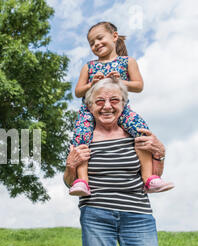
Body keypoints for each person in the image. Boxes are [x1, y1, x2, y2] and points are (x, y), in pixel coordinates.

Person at [64, 78, 166, 246]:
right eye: (99, 101)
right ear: (90, 106)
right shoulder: (83, 137)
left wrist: (160, 153)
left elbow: (154, 178)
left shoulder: (136, 134)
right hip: (96, 217)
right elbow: (69, 182)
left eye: (114, 100)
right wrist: (71, 166)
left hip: (137, 217)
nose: (107, 106)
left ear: (124, 103)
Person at [69, 21, 173, 196]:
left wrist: (119, 82)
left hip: (119, 108)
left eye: (100, 38)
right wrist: (92, 84)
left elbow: (138, 85)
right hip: (90, 110)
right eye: (92, 43)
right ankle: (82, 182)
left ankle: (149, 178)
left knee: (141, 130)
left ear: (114, 36)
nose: (96, 44)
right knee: (81, 136)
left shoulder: (127, 62)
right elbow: (78, 91)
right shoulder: (89, 66)